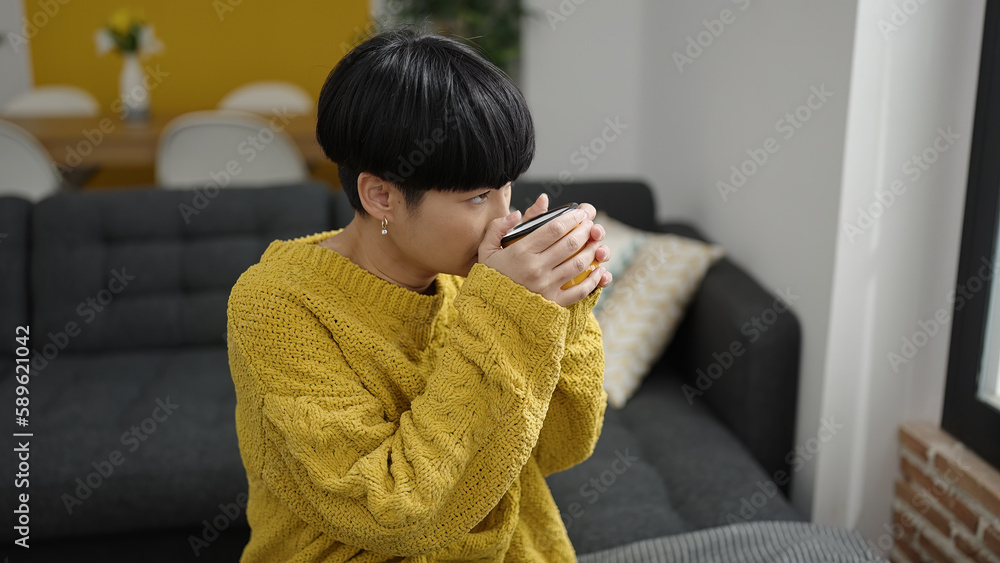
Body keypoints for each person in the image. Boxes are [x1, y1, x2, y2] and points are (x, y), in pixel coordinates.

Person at [226, 27, 613, 562]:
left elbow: (559, 447)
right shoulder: (276, 305)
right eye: (476, 196)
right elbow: (389, 512)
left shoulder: (478, 279)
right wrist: (506, 312)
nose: (503, 218)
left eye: (506, 187)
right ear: (381, 195)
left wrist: (560, 307)